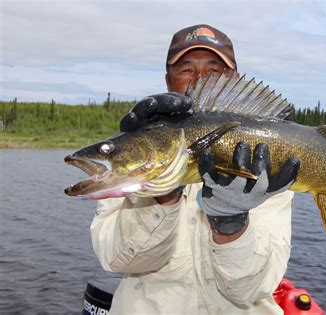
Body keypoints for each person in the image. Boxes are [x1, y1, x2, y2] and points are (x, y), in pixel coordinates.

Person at [90, 24, 300, 314]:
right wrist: (162, 193)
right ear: (168, 81)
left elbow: (251, 289)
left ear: (233, 81)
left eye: (214, 71)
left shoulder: (261, 157)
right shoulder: (135, 156)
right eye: (186, 70)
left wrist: (232, 225)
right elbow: (120, 260)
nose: (200, 79)